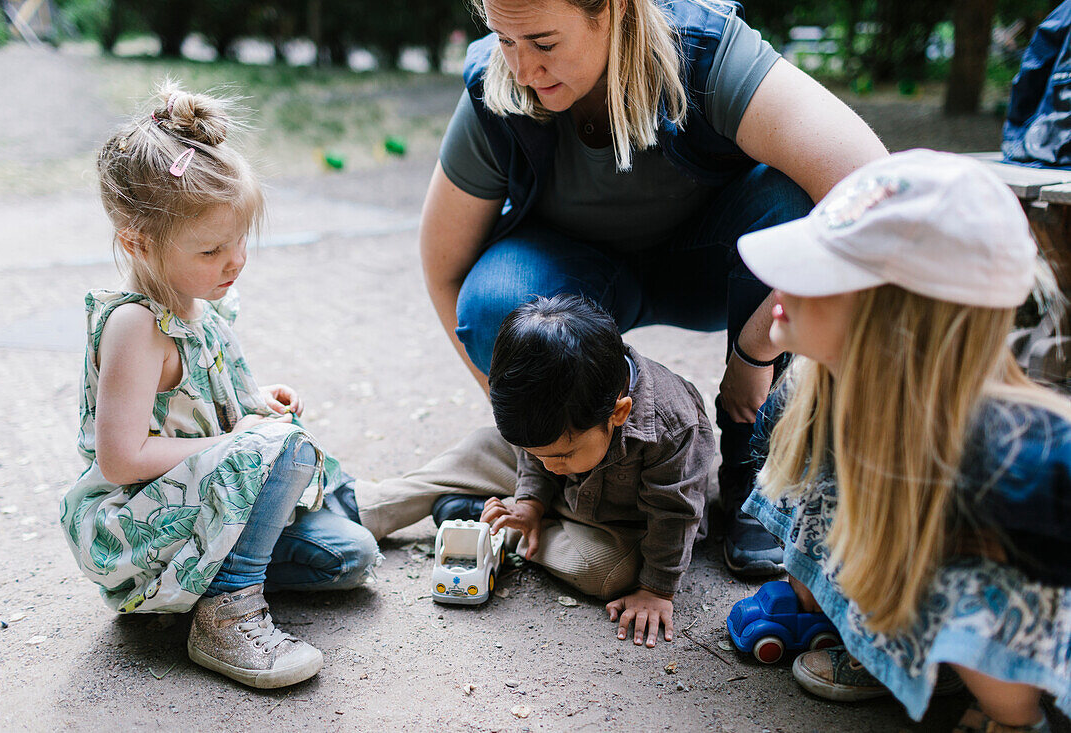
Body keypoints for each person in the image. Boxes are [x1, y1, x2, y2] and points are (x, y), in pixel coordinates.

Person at [418, 0, 889, 576]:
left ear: (613, 10)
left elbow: (872, 195)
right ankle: (575, 474)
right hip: (572, 282)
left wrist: (756, 349)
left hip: (716, 265)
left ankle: (761, 460)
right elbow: (444, 269)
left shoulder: (706, 52)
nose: (522, 71)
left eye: (543, 44)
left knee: (792, 200)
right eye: (505, 41)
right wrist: (531, 423)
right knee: (495, 302)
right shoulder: (498, 86)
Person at [730, 150, 1071, 732]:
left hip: (1035, 586)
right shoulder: (817, 393)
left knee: (975, 576)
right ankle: (863, 630)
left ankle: (1012, 716)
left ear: (896, 319)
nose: (781, 283)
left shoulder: (1013, 461)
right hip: (928, 527)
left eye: (821, 271)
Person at [59, 82, 379, 690]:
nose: (235, 262)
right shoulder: (136, 325)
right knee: (281, 451)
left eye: (239, 242)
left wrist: (259, 406)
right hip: (142, 521)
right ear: (138, 242)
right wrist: (246, 447)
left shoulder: (202, 308)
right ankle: (225, 614)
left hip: (206, 502)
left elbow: (211, 405)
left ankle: (225, 567)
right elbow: (122, 458)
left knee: (351, 555)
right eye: (211, 250)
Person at [355, 294, 714, 647]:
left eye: (562, 453)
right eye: (537, 453)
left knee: (609, 572)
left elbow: (674, 515)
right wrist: (529, 502)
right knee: (482, 448)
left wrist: (655, 591)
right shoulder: (551, 425)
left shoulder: (673, 428)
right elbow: (538, 455)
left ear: (618, 413)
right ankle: (364, 505)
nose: (548, 465)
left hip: (619, 523)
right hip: (558, 492)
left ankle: (499, 530)